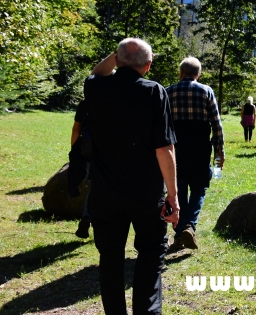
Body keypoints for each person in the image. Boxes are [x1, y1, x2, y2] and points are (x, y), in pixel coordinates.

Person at [83, 38, 178, 315]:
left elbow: (97, 72)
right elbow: (164, 148)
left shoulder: (97, 87)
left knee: (110, 259)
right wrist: (172, 196)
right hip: (146, 195)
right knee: (150, 254)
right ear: (148, 66)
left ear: (118, 59)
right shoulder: (153, 92)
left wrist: (118, 55)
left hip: (104, 194)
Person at [165, 57, 225, 251]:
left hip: (176, 150)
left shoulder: (168, 92)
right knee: (199, 189)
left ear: (181, 72)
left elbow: (162, 126)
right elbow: (217, 125)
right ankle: (189, 226)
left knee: (179, 191)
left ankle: (179, 233)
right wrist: (219, 152)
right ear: (198, 74)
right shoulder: (206, 91)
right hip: (200, 150)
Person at [70, 98, 93, 239]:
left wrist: (74, 151)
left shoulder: (85, 103)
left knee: (94, 185)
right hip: (111, 152)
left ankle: (86, 219)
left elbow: (76, 130)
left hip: (89, 150)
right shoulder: (117, 98)